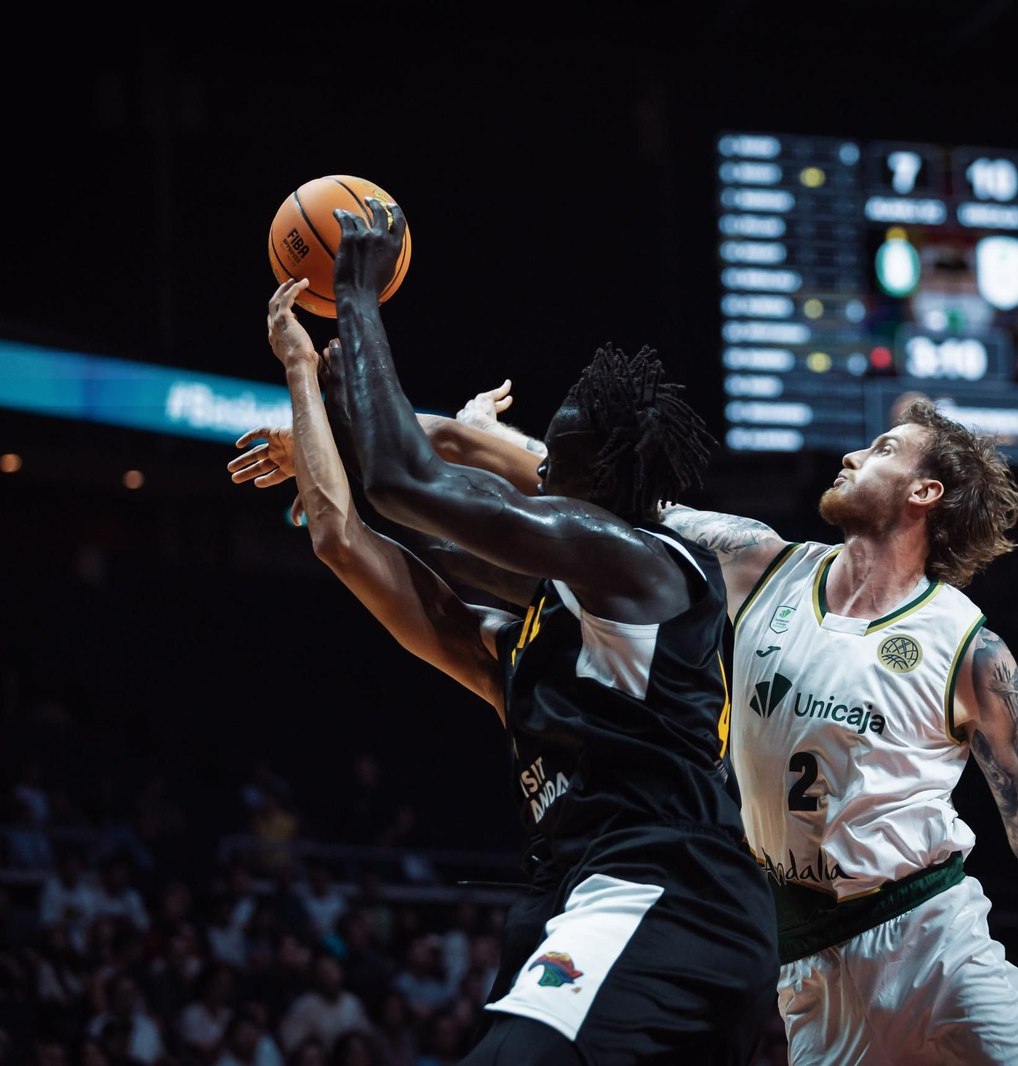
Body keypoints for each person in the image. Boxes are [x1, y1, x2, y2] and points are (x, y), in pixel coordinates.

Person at [425, 379, 1018, 1063]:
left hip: (932, 942)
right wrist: (480, 440)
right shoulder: (761, 563)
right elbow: (619, 501)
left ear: (925, 492)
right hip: (808, 968)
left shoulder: (969, 648)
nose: (852, 455)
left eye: (882, 449)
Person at [233, 197, 776, 1065]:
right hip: (582, 900)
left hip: (663, 889)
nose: (537, 473)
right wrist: (305, 375)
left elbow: (406, 485)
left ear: (600, 481)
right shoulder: (526, 648)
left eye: (556, 463)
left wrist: (360, 299)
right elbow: (346, 539)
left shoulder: (645, 562)